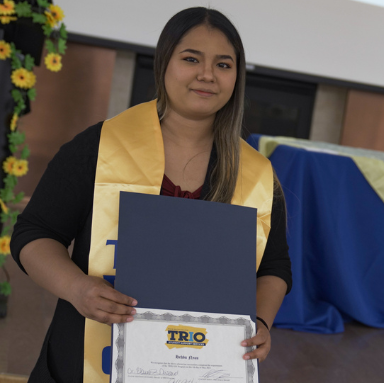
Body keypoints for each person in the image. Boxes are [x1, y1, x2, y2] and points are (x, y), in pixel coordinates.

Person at [10, 7, 291, 382]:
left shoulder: (257, 174)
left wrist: (260, 323)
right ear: (163, 63)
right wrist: (76, 288)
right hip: (87, 358)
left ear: (237, 76)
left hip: (202, 364)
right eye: (191, 59)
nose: (207, 74)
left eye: (223, 65)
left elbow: (274, 267)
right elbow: (34, 233)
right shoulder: (99, 147)